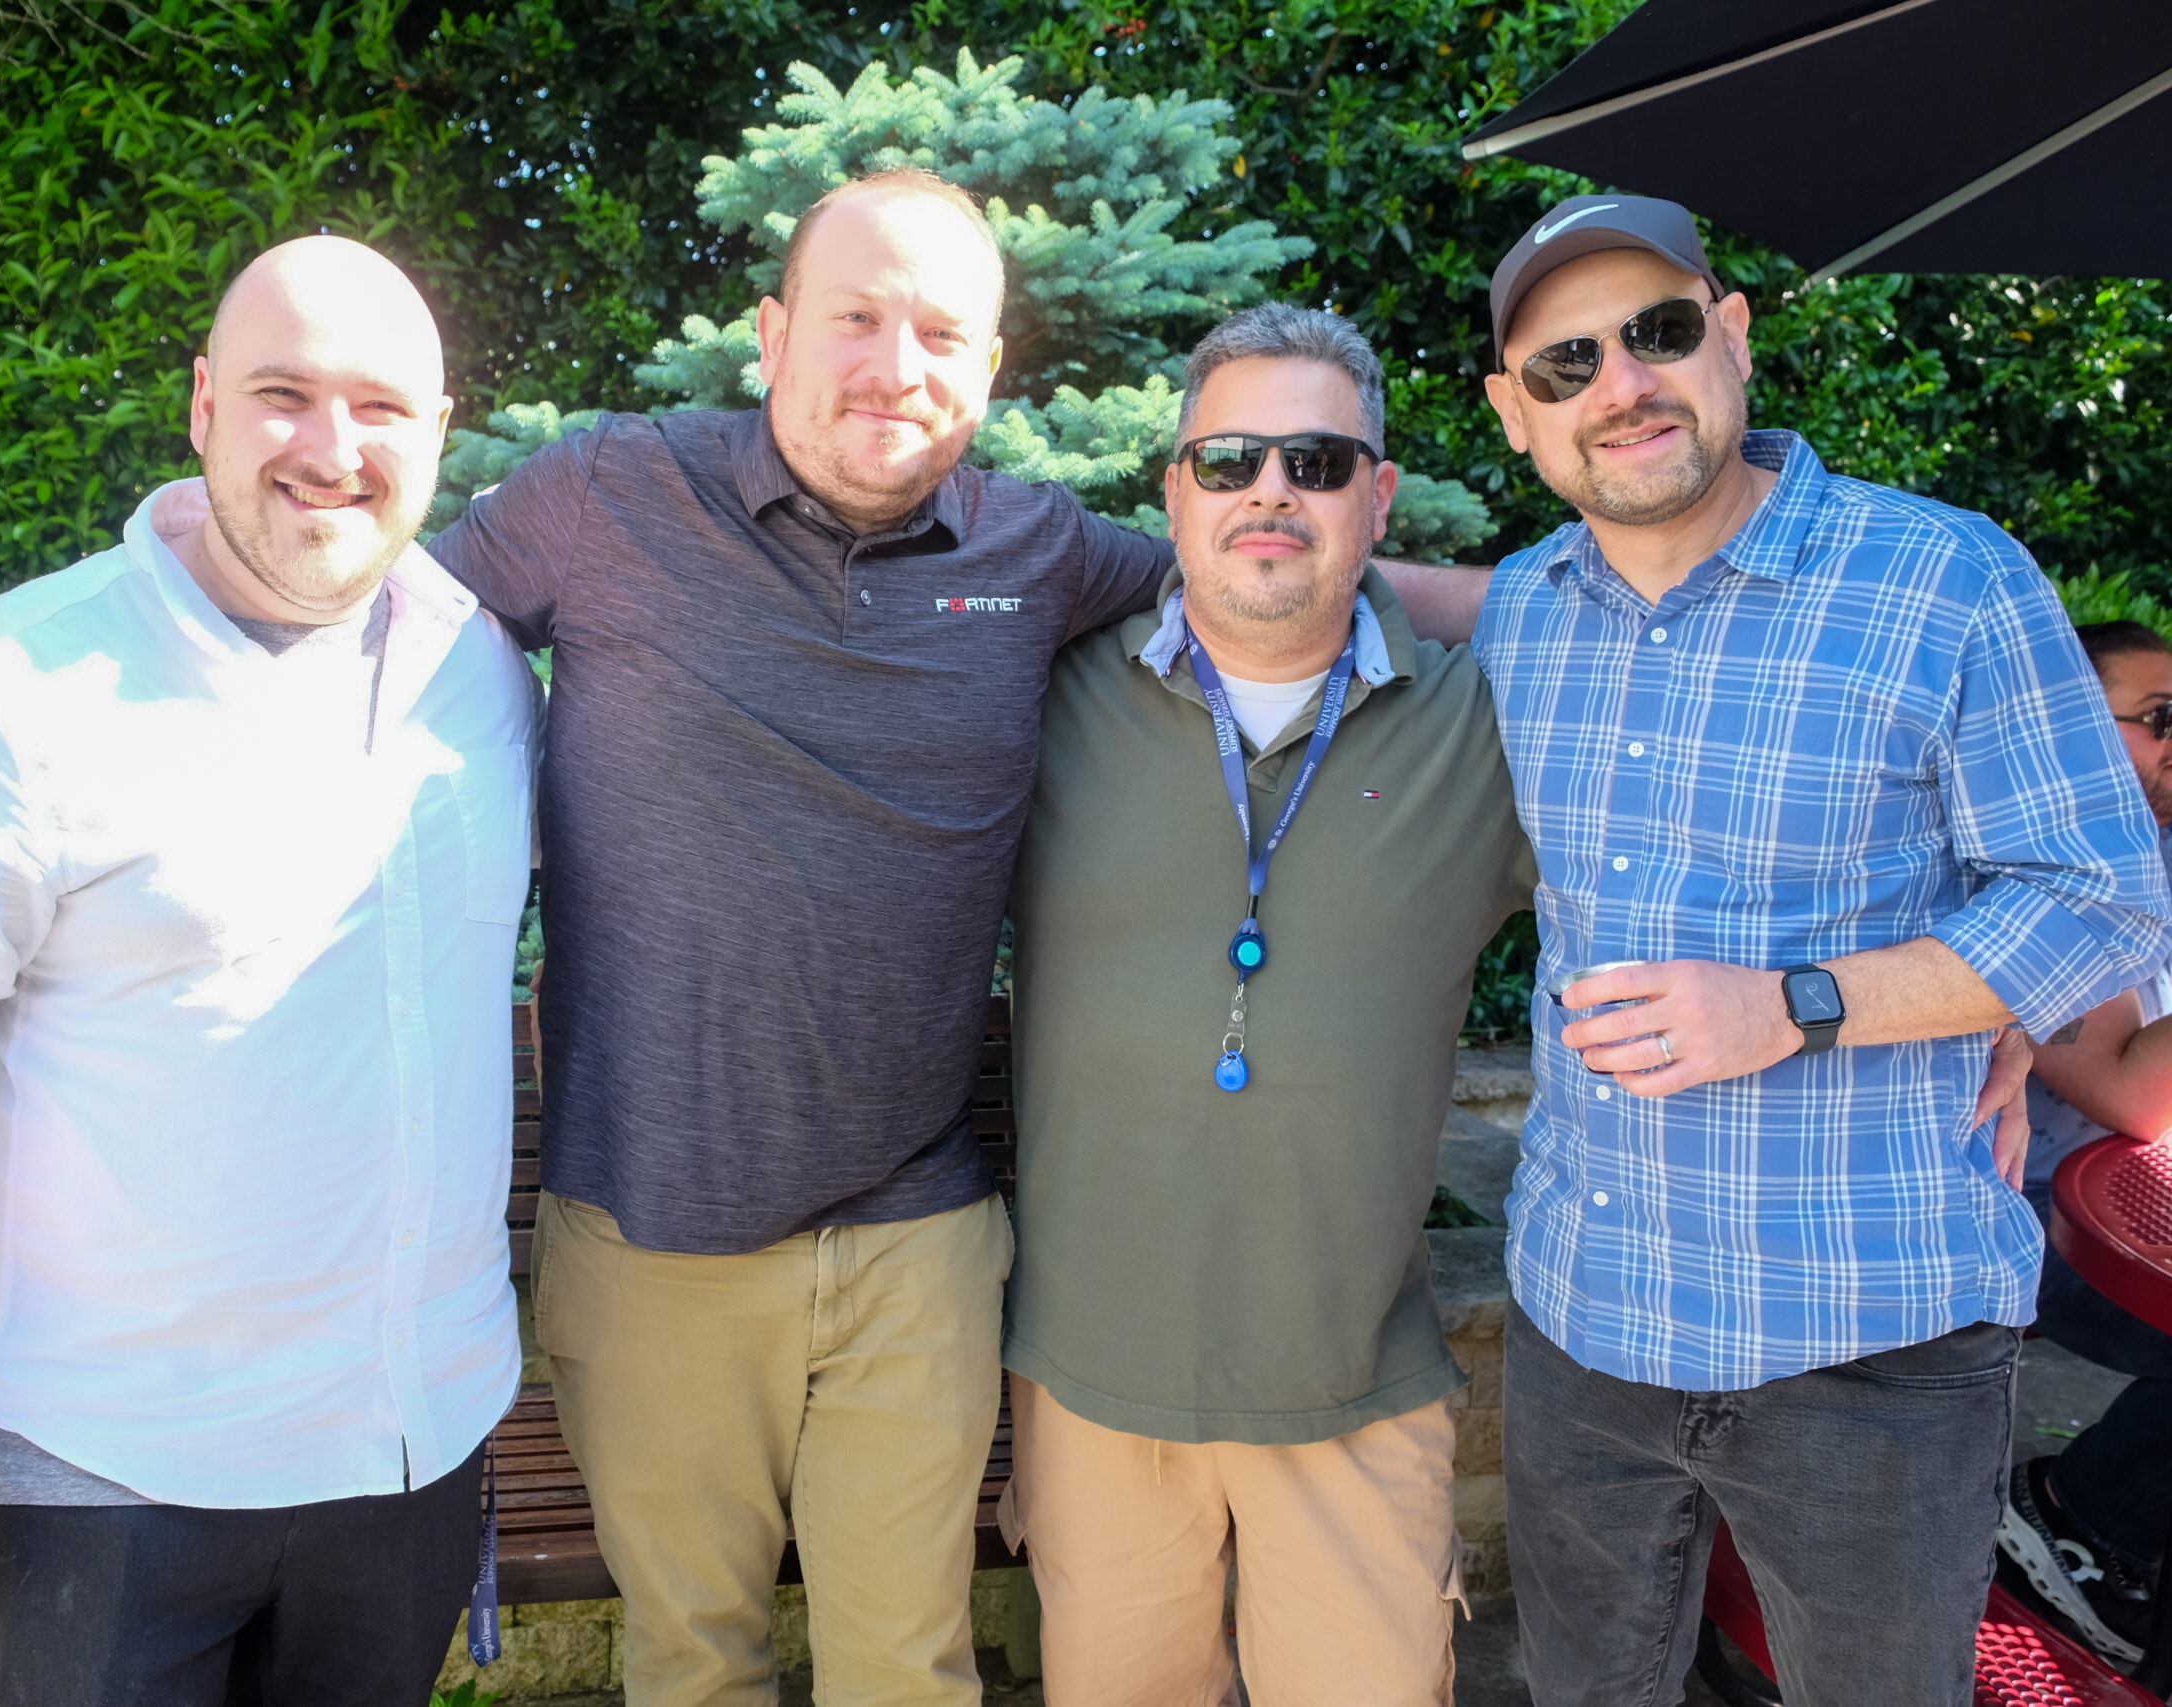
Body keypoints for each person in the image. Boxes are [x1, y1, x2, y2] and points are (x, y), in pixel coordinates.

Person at [428, 166, 1478, 1706]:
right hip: (652, 1237)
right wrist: (194, 544)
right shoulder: (603, 498)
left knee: (909, 1674)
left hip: (916, 1245)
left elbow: (1267, 563)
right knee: (690, 1666)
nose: (894, 365)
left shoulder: (1036, 553)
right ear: (773, 333)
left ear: (987, 369)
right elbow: (367, 632)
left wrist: (1579, 603)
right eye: (855, 317)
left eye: (938, 333)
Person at [0, 236, 541, 1704]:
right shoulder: (18, 692)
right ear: (201, 405)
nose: (333, 449)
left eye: (382, 406)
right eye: (281, 394)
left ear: (441, 431)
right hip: (106, 1478)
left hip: (411, 1450)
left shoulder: (482, 669)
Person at [1467, 194, 2172, 1707]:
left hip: (1865, 1337)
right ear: (1514, 415)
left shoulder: (1945, 579)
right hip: (1584, 1312)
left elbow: (2101, 895)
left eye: (1658, 331)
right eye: (1564, 363)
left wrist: (1802, 1003)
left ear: (1730, 335)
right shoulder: (1526, 609)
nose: (1620, 383)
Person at [998, 302, 1535, 1706]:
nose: (1271, 492)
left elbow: (1709, 814)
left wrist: (1978, 1003)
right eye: (1229, 460)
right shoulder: (1041, 699)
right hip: (1090, 1385)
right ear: (1174, 488)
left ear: (1379, 497)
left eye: (1318, 461)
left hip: (1355, 1382)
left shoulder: (1489, 725)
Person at [1999, 618, 2172, 1665]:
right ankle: (2077, 1516)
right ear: (2071, 723)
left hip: (2142, 1205)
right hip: (2034, 1214)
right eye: (2159, 717)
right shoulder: (2048, 873)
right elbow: (2127, 1090)